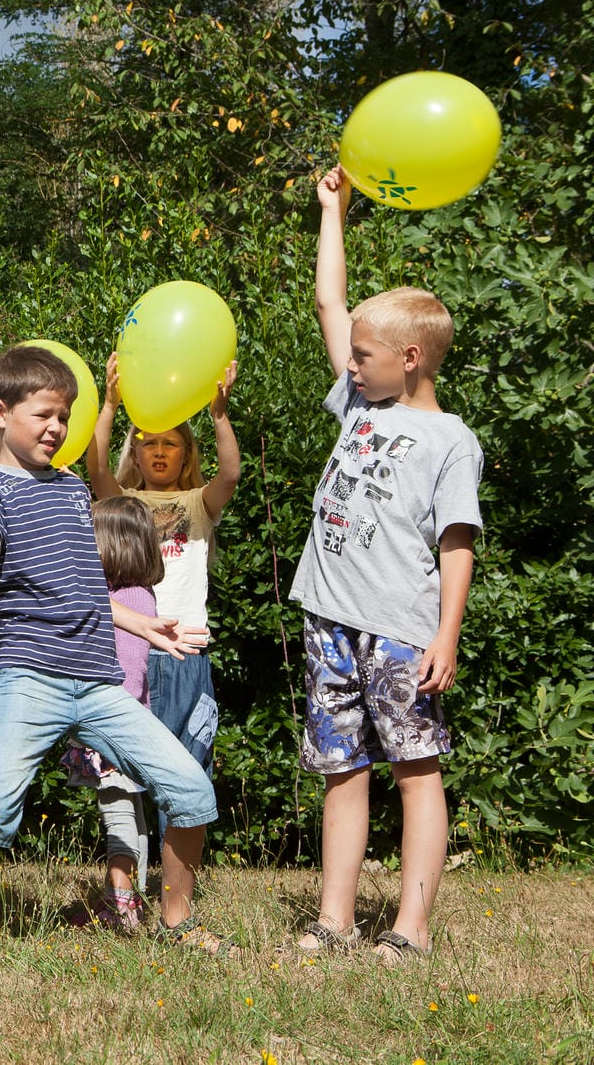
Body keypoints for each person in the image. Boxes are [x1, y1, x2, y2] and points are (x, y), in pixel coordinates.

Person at [0, 346, 225, 970]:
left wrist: (143, 623)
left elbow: (85, 584)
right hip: (30, 679)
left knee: (192, 791)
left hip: (98, 682)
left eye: (63, 417)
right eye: (44, 416)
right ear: (0, 413)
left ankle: (176, 923)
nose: (56, 429)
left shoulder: (69, 489)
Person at [290, 167, 481, 962]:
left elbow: (456, 543)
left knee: (415, 770)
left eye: (364, 356)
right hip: (328, 618)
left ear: (408, 357)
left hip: (401, 630)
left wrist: (447, 633)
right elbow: (332, 305)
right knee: (342, 770)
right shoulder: (361, 402)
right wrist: (333, 211)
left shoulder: (451, 440)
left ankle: (411, 926)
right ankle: (333, 920)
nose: (350, 364)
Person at [88, 349, 240, 804]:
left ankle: (175, 871)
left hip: (185, 648)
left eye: (170, 443)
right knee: (125, 769)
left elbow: (231, 473)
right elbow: (95, 468)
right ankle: (130, 864)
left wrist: (219, 415)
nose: (158, 451)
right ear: (134, 451)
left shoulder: (198, 503)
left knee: (188, 763)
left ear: (186, 453)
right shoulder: (123, 500)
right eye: (149, 442)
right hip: (133, 644)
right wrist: (110, 406)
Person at [63, 497, 165, 934]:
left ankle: (119, 903)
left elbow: (125, 673)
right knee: (132, 811)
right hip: (133, 724)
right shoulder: (140, 596)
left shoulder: (119, 600)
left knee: (117, 813)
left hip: (112, 726)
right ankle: (131, 900)